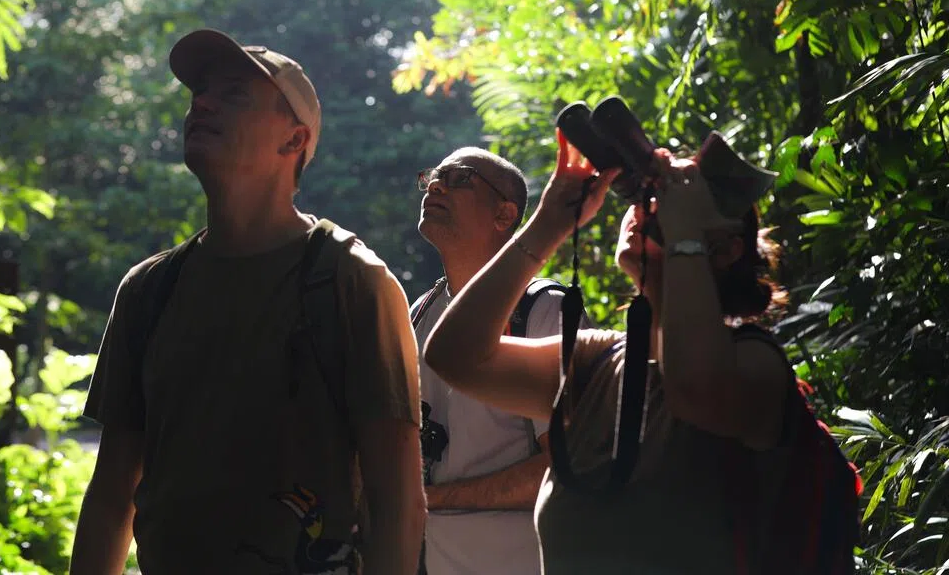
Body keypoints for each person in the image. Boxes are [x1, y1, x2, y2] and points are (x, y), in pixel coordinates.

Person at [70, 28, 425, 575]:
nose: (202, 103)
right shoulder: (148, 291)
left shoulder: (351, 280)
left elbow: (397, 497)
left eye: (233, 93)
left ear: (293, 139)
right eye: (199, 93)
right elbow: (112, 492)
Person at [423, 130, 802, 574]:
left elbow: (695, 391)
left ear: (726, 249)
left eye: (664, 201)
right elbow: (453, 356)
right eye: (645, 198)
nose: (647, 207)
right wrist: (549, 224)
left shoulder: (756, 364)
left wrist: (683, 235)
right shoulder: (600, 365)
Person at [411, 148, 587, 575]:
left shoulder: (546, 311)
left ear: (505, 215)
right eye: (435, 177)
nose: (437, 185)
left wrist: (433, 499)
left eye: (460, 178)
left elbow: (569, 464)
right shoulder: (420, 312)